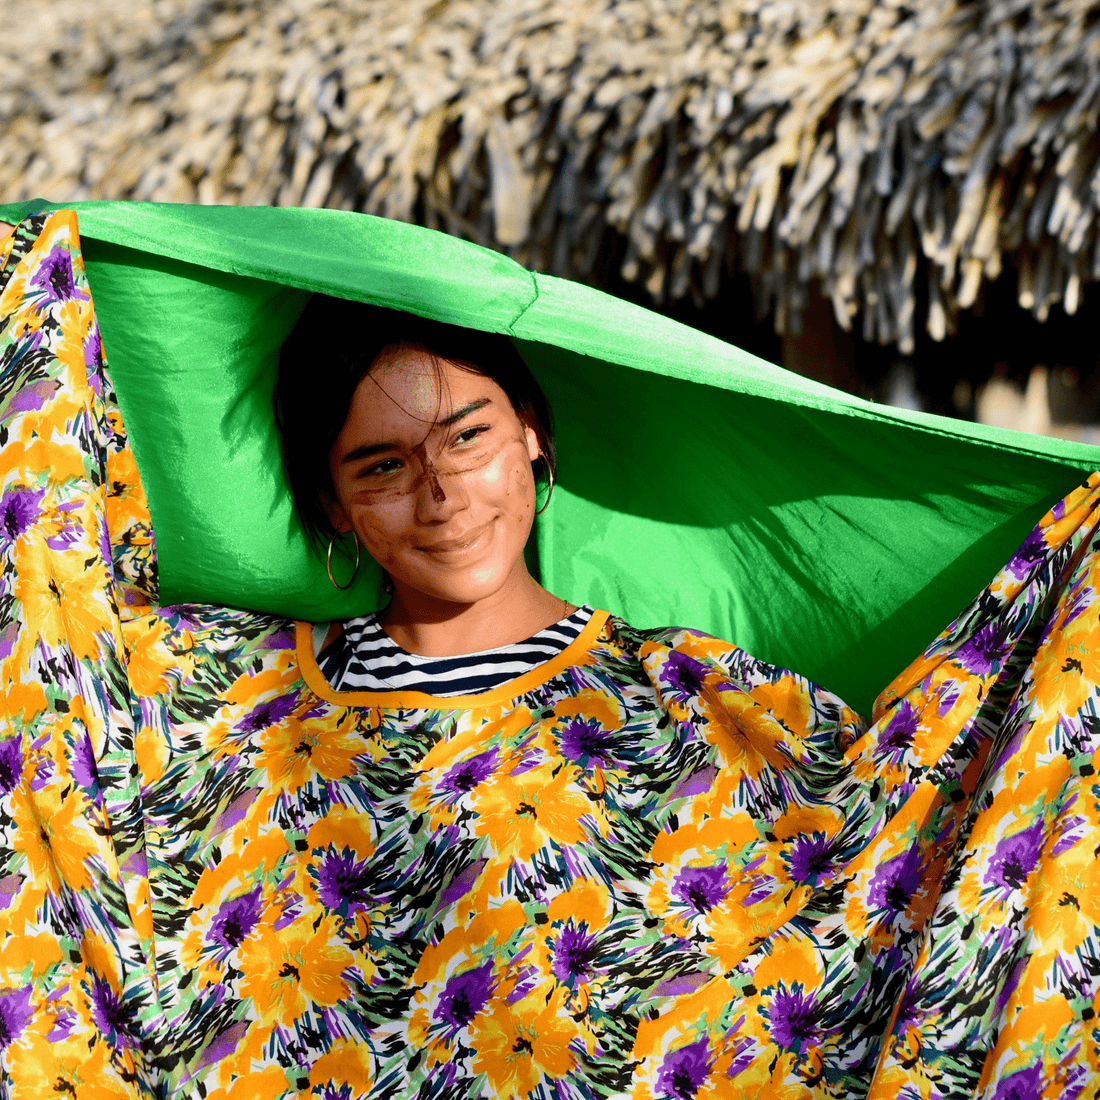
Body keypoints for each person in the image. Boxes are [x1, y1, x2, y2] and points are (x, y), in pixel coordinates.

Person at [3, 209, 1100, 1099]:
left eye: (466, 434)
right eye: (380, 464)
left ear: (532, 431)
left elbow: (903, 835)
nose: (440, 495)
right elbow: (46, 622)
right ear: (332, 505)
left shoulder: (696, 697)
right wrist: (27, 291)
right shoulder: (220, 700)